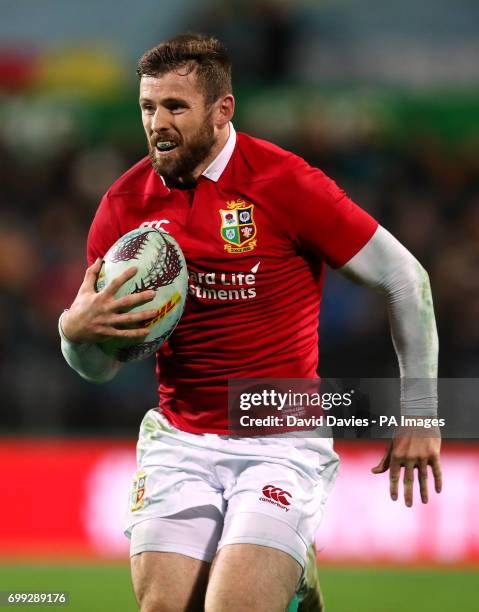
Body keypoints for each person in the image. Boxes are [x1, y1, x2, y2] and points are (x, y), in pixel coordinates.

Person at [59, 33, 442, 612]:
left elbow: (405, 280)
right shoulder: (124, 205)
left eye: (175, 107)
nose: (157, 123)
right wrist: (75, 334)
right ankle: (295, 582)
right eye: (147, 107)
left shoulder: (283, 182)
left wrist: (419, 411)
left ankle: (287, 573)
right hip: (180, 440)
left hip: (279, 440)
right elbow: (97, 371)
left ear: (222, 110)